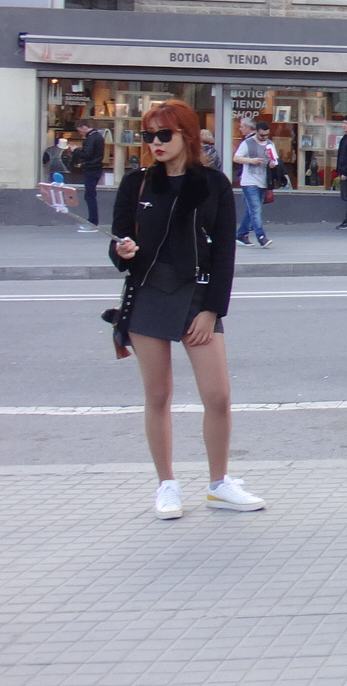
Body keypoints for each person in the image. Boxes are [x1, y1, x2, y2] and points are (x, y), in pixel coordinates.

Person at [110, 99, 259, 519]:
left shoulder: (212, 184)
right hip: (148, 294)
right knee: (157, 395)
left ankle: (218, 483)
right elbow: (119, 246)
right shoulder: (137, 184)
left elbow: (225, 255)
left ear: (187, 137)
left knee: (218, 396)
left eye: (164, 135)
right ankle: (166, 485)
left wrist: (211, 311)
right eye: (148, 136)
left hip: (197, 296)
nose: (155, 143)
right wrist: (122, 250)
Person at [232, 119, 276, 248]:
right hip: (249, 181)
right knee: (255, 209)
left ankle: (241, 234)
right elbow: (236, 158)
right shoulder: (248, 143)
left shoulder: (270, 144)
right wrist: (251, 161)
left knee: (252, 210)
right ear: (256, 132)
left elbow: (275, 161)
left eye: (266, 135)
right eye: (262, 135)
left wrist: (272, 164)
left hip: (263, 181)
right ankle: (261, 237)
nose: (264, 138)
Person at [71, 118, 106, 232]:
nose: (80, 133)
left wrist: (75, 150)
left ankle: (93, 222)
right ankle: (92, 221)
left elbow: (86, 154)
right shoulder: (98, 136)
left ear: (84, 127)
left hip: (91, 168)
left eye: (80, 130)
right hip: (96, 168)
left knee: (89, 196)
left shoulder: (90, 138)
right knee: (90, 195)